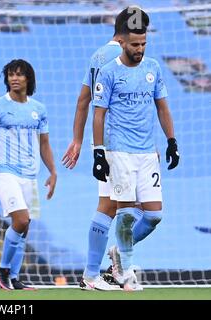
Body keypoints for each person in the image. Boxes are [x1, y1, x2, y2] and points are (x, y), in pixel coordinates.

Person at [62, 7, 153, 291]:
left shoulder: (97, 55)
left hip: (116, 143)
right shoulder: (119, 59)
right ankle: (93, 273)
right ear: (127, 35)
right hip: (118, 144)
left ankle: (109, 262)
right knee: (115, 206)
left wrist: (78, 140)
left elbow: (82, 100)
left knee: (142, 209)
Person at [92, 12, 179, 291]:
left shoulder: (153, 68)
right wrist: (98, 152)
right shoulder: (109, 71)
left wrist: (171, 141)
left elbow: (162, 106)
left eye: (143, 44)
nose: (140, 49)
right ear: (123, 43)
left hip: (147, 153)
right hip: (119, 152)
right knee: (126, 214)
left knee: (153, 215)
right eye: (134, 45)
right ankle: (125, 273)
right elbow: (98, 114)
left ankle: (118, 251)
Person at [0, 59, 57, 291]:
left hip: (29, 175)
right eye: (11, 74)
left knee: (25, 226)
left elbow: (45, 143)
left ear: (28, 79)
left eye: (19, 74)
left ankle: (15, 277)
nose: (14, 78)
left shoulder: (38, 109)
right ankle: (2, 270)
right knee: (20, 220)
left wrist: (53, 171)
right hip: (4, 172)